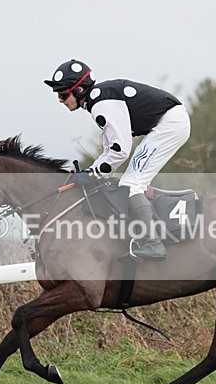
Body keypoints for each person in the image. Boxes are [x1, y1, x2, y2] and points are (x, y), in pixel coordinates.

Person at [44, 59, 190, 262]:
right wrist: (90, 172)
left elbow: (120, 150)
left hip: (170, 124)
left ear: (79, 90)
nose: (60, 100)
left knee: (131, 183)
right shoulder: (98, 99)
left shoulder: (100, 102)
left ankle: (152, 243)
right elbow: (108, 150)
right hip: (169, 122)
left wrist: (92, 174)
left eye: (63, 94)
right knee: (129, 181)